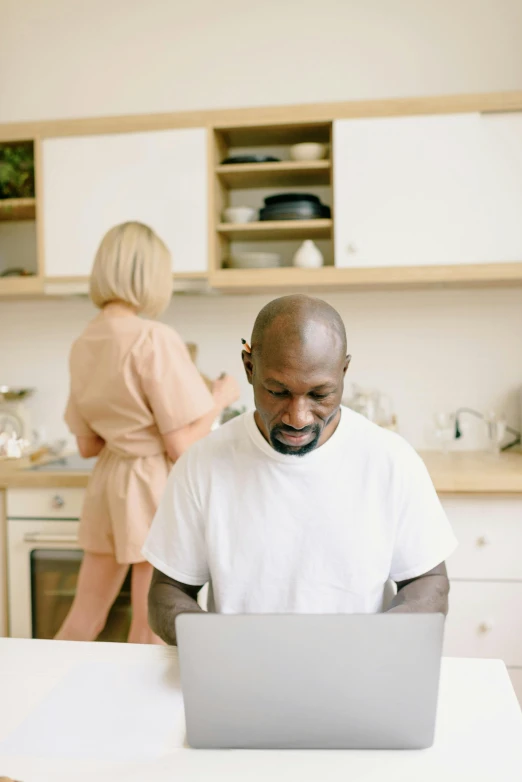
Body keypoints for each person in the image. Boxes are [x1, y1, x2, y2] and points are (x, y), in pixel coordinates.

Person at [144, 294, 457, 645]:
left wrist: (376, 644)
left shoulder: (391, 461)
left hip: (357, 678)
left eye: (320, 394)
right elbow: (166, 592)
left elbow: (429, 583)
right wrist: (216, 645)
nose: (298, 417)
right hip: (239, 681)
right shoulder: (202, 465)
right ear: (250, 368)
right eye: (277, 391)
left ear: (344, 372)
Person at [56, 221, 239, 644]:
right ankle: (133, 713)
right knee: (149, 628)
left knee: (83, 619)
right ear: (152, 276)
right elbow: (180, 445)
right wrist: (221, 397)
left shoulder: (84, 341)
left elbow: (87, 444)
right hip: (148, 485)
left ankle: (47, 702)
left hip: (107, 483)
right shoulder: (154, 338)